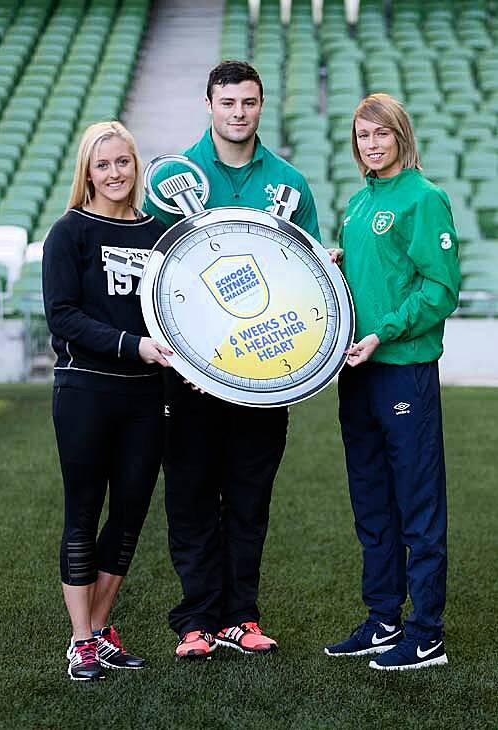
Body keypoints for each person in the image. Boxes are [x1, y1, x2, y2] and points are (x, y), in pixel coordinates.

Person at [144, 60, 321, 659]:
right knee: (192, 499)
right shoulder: (175, 179)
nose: (238, 112)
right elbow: (158, 277)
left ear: (261, 105)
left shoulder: (290, 184)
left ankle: (239, 617)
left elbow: (309, 276)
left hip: (264, 379)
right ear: (209, 105)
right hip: (191, 382)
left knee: (249, 501)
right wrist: (180, 356)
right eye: (228, 102)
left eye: (248, 102)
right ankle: (195, 620)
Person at [323, 93, 461, 670]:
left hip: (403, 371)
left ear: (401, 136)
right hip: (354, 373)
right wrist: (334, 266)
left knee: (418, 505)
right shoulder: (357, 205)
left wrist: (384, 331)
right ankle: (384, 618)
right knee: (372, 504)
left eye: (381, 134)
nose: (371, 145)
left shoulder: (424, 199)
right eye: (362, 136)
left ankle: (425, 631)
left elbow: (440, 287)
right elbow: (369, 280)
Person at [42, 121, 173, 680]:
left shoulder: (160, 235)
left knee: (127, 519)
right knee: (83, 513)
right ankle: (81, 640)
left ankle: (97, 634)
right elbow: (63, 315)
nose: (115, 173)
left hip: (147, 399)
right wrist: (132, 345)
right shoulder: (68, 234)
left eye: (123, 162)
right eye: (103, 165)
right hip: (86, 392)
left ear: (135, 166)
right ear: (87, 172)